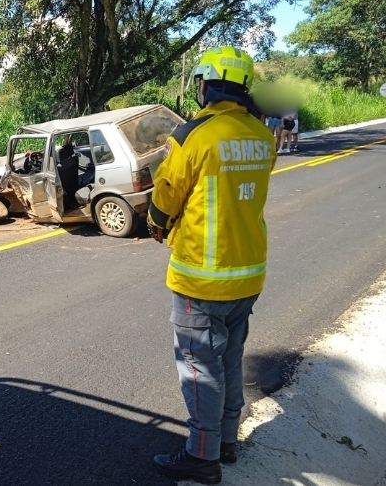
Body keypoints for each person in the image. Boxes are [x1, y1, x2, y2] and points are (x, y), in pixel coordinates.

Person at [145, 45, 278, 485]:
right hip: (248, 272)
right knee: (230, 360)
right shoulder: (261, 134)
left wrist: (156, 222)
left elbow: (166, 195)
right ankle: (226, 443)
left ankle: (202, 459)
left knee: (200, 369)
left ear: (206, 85)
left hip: (202, 277)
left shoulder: (194, 135)